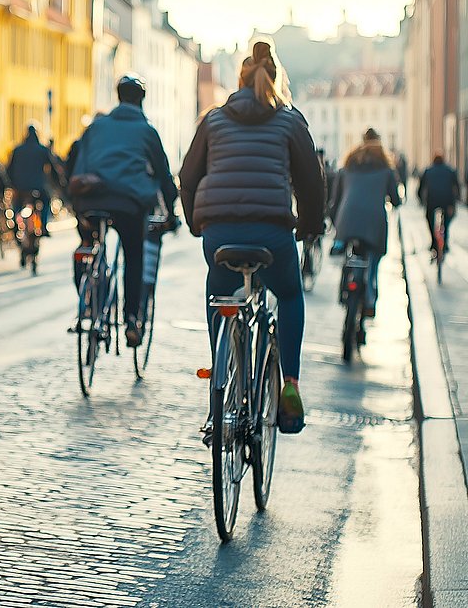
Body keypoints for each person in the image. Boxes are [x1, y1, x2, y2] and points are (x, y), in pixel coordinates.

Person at [180, 41, 325, 436]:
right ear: (275, 79)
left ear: (238, 81)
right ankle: (290, 385)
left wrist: (197, 224)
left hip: (219, 234)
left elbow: (188, 178)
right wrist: (310, 226)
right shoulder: (290, 120)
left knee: (220, 293)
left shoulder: (212, 120)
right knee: (291, 296)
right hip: (272, 234)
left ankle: (220, 381)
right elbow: (312, 183)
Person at [66, 74, 178, 346]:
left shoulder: (96, 126)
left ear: (118, 97)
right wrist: (171, 213)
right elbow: (163, 176)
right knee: (133, 255)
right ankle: (130, 319)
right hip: (129, 203)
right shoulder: (147, 130)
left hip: (91, 202)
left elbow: (77, 166)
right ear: (141, 99)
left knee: (90, 247)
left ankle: (91, 301)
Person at [330, 128, 401, 321]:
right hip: (374, 224)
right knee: (373, 263)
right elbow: (396, 200)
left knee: (348, 254)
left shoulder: (347, 166)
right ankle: (369, 299)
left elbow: (335, 201)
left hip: (347, 223)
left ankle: (346, 283)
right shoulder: (386, 169)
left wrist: (335, 224)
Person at [6, 124, 59, 235]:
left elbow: (9, 169)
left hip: (20, 187)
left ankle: (14, 222)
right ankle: (44, 226)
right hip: (38, 187)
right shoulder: (42, 150)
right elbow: (53, 169)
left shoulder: (17, 150)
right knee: (46, 202)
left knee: (17, 204)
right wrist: (59, 182)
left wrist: (11, 184)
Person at [418, 154, 461, 252]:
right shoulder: (450, 171)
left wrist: (421, 200)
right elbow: (456, 186)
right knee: (447, 220)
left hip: (432, 201)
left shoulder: (428, 171)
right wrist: (455, 201)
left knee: (429, 218)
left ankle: (433, 242)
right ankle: (445, 243)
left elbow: (421, 188)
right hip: (447, 201)